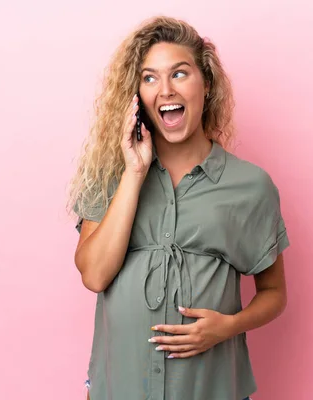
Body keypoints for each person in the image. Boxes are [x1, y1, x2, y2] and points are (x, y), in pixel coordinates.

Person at [68, 15, 290, 400]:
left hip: (210, 388)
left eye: (180, 74)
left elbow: (274, 293)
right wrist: (134, 173)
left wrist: (229, 326)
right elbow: (95, 276)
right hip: (120, 388)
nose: (165, 89)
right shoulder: (111, 175)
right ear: (136, 96)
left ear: (206, 83)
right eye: (150, 77)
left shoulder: (251, 187)